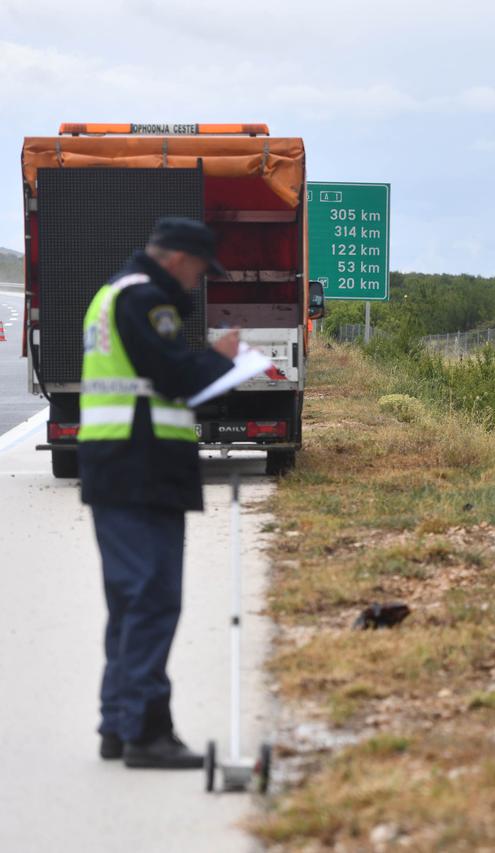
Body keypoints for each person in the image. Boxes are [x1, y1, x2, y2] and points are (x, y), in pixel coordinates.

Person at [79, 218, 239, 769]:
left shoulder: (111, 293)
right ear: (176, 260)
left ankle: (117, 725)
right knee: (151, 598)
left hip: (117, 464)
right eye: (198, 271)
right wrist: (223, 360)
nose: (197, 283)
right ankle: (147, 732)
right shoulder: (146, 299)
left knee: (130, 601)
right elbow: (171, 372)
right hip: (141, 466)